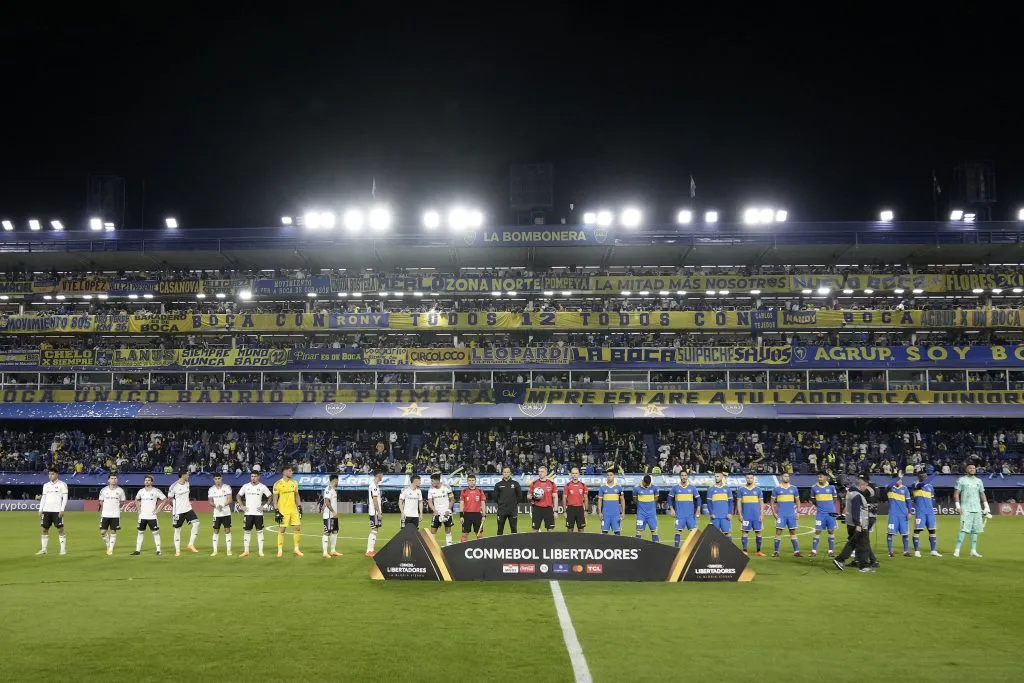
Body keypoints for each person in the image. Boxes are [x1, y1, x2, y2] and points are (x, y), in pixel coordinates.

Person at [833, 475, 875, 573]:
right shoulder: (857, 495)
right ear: (862, 485)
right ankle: (863, 566)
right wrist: (858, 524)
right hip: (858, 524)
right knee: (863, 545)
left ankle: (840, 559)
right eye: (865, 486)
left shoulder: (850, 493)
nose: (866, 488)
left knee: (852, 543)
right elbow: (856, 510)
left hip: (851, 523)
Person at [953, 463, 991, 558]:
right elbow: (956, 493)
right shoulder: (961, 480)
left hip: (977, 509)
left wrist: (986, 506)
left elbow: (982, 494)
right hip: (966, 508)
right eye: (970, 468)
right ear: (966, 469)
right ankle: (957, 550)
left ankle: (973, 550)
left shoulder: (979, 481)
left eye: (974, 468)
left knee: (975, 531)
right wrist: (958, 506)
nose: (972, 469)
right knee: (963, 529)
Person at [237, 471, 272, 557]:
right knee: (247, 532)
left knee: (260, 532)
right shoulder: (246, 486)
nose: (253, 478)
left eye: (255, 476)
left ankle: (260, 551)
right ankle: (246, 551)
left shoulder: (262, 487)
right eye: (252, 476)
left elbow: (270, 496)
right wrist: (242, 506)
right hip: (248, 513)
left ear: (258, 477)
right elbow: (238, 496)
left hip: (258, 514)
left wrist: (265, 506)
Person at [272, 465, 303, 558]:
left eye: (292, 471)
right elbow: (275, 498)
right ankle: (280, 550)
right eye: (290, 471)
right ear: (284, 472)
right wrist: (276, 510)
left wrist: (299, 506)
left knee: (297, 527)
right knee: (282, 529)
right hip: (283, 510)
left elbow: (297, 495)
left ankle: (296, 549)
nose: (291, 472)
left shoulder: (294, 483)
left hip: (293, 509)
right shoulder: (277, 484)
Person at [167, 470, 200, 556]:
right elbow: (169, 499)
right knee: (177, 530)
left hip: (188, 509)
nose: (188, 476)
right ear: (183, 475)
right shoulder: (173, 486)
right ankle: (177, 551)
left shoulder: (187, 483)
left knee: (196, 523)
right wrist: (175, 507)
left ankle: (190, 544)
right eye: (187, 474)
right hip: (178, 511)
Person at [910, 469, 941, 557]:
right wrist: (934, 475)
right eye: (922, 476)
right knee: (917, 530)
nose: (924, 477)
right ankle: (917, 551)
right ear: (918, 476)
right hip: (921, 511)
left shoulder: (930, 487)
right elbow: (922, 484)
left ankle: (933, 551)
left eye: (925, 475)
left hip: (930, 512)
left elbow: (932, 499)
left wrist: (932, 508)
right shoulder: (915, 484)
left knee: (932, 530)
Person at [38, 468, 68, 556]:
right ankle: (44, 549)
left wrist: (62, 509)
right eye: (49, 474)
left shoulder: (62, 485)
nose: (50, 476)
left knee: (60, 529)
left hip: (57, 510)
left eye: (52, 474)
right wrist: (40, 510)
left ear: (56, 475)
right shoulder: (46, 485)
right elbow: (43, 498)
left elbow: (65, 498)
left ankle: (62, 550)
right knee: (44, 529)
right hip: (46, 510)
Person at [132, 475, 165, 556]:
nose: (147, 481)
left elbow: (164, 499)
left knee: (155, 532)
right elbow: (136, 500)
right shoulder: (141, 491)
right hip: (142, 516)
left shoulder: (156, 491)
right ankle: (137, 550)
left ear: (152, 482)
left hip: (152, 516)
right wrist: (138, 509)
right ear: (144, 481)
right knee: (140, 532)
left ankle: (158, 550)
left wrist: (158, 510)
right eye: (146, 480)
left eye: (149, 480)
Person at [771, 472, 801, 557]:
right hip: (781, 515)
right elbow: (772, 502)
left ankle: (796, 551)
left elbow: (798, 501)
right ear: (781, 478)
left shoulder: (794, 488)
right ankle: (776, 551)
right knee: (778, 532)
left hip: (791, 514)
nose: (787, 478)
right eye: (785, 476)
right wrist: (774, 513)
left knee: (793, 532)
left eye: (788, 476)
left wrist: (798, 512)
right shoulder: (776, 489)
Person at [667, 471, 700, 548]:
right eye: (682, 475)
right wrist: (671, 509)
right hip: (680, 515)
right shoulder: (675, 487)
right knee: (678, 531)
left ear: (687, 476)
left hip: (690, 515)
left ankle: (694, 550)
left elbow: (698, 499)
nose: (684, 477)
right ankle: (676, 549)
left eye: (685, 475)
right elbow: (669, 498)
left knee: (694, 533)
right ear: (680, 477)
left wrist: (698, 509)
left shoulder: (692, 487)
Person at [810, 473, 840, 557]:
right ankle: (814, 551)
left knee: (831, 531)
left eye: (821, 476)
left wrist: (829, 507)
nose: (819, 478)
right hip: (820, 513)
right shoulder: (814, 488)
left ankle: (831, 551)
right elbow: (813, 500)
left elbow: (834, 499)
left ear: (826, 477)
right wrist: (820, 506)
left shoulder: (831, 487)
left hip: (831, 513)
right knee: (818, 531)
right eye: (818, 476)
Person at [97, 474, 126, 556]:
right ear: (108, 480)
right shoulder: (103, 490)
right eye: (112, 478)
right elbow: (101, 501)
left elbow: (123, 501)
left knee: (113, 531)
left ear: (117, 480)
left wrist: (117, 508)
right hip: (105, 514)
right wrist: (106, 507)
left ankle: (110, 549)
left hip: (115, 514)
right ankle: (108, 545)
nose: (113, 480)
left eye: (115, 478)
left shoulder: (120, 490)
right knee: (103, 532)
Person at [737, 472, 765, 556]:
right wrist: (740, 514)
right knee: (745, 532)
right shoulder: (741, 490)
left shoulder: (758, 490)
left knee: (758, 532)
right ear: (746, 479)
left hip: (756, 516)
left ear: (753, 479)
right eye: (748, 478)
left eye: (751, 478)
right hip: (746, 516)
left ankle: (759, 551)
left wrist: (762, 514)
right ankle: (744, 550)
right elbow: (738, 502)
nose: (749, 479)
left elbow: (761, 503)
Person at [885, 474, 913, 558]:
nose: (900, 481)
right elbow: (889, 485)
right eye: (899, 479)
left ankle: (906, 551)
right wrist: (897, 477)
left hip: (903, 515)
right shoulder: (890, 488)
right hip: (893, 515)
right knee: (890, 533)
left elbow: (908, 502)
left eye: (901, 479)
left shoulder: (905, 488)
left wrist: (910, 512)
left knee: (905, 533)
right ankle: (890, 551)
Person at [208, 472, 234, 557]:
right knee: (216, 531)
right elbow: (210, 501)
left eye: (219, 478)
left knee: (227, 530)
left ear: (221, 478)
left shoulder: (227, 487)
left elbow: (230, 499)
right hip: (216, 513)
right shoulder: (211, 489)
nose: (217, 480)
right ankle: (215, 551)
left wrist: (222, 505)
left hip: (226, 512)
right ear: (213, 480)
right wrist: (216, 506)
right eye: (215, 479)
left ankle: (229, 550)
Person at [427, 473, 455, 546]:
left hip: (446, 512)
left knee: (448, 530)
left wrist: (448, 510)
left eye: (432, 481)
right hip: (437, 513)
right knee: (433, 530)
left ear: (437, 481)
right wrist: (434, 510)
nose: (431, 483)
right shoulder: (430, 490)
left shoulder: (447, 487)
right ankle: (432, 547)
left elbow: (452, 500)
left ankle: (449, 546)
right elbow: (430, 502)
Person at [527, 465, 557, 532]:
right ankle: (535, 543)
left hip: (548, 509)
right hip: (537, 509)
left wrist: (555, 511)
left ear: (546, 473)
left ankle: (550, 543)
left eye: (542, 472)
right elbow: (528, 496)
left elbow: (555, 497)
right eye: (539, 471)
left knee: (550, 530)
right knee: (535, 530)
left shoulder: (552, 484)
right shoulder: (534, 483)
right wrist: (534, 497)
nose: (540, 473)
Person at [493, 466, 521, 535]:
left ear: (510, 473)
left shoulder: (516, 484)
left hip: (512, 510)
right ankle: (499, 545)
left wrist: (513, 503)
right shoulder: (498, 485)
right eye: (504, 472)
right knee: (500, 529)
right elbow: (495, 498)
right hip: (502, 510)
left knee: (514, 529)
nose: (506, 473)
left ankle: (513, 545)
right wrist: (501, 503)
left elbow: (519, 496)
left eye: (507, 472)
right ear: (502, 473)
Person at [459, 474, 486, 542]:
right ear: (467, 482)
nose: (471, 482)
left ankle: (480, 549)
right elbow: (461, 504)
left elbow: (483, 503)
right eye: (470, 480)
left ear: (475, 481)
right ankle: (463, 549)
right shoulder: (464, 491)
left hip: (477, 515)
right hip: (467, 515)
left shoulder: (480, 491)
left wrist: (484, 515)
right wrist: (461, 515)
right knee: (465, 535)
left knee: (479, 534)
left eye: (473, 480)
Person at [633, 474, 660, 542]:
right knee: (639, 532)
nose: (647, 485)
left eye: (648, 484)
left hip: (652, 514)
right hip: (641, 514)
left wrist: (650, 506)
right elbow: (635, 500)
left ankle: (657, 549)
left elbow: (656, 498)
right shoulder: (636, 488)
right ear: (643, 481)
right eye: (646, 484)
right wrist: (642, 506)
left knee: (654, 531)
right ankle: (637, 549)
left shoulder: (654, 487)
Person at [706, 471, 734, 536]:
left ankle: (728, 546)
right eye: (715, 476)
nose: (716, 478)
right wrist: (711, 513)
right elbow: (709, 502)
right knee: (714, 535)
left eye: (717, 476)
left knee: (727, 533)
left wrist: (730, 513)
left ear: (722, 477)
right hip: (715, 516)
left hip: (725, 516)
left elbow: (730, 502)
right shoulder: (711, 489)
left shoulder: (727, 488)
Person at [597, 468, 624, 535]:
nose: (609, 477)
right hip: (605, 515)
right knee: (604, 533)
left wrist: (623, 512)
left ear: (614, 476)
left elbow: (622, 500)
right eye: (608, 475)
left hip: (616, 515)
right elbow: (599, 501)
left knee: (617, 533)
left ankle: (618, 545)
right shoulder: (602, 488)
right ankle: (604, 546)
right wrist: (600, 512)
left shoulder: (619, 487)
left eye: (611, 475)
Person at [562, 467, 588, 533]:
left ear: (579, 474)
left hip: (580, 509)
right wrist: (564, 511)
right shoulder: (567, 485)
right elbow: (564, 498)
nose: (574, 475)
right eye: (573, 473)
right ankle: (569, 543)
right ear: (571, 474)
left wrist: (586, 510)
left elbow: (586, 498)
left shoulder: (583, 485)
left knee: (581, 529)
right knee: (570, 529)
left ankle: (581, 543)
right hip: (570, 509)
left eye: (576, 473)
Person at [322, 474, 342, 558]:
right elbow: (327, 501)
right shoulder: (329, 489)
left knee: (335, 532)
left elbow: (326, 502)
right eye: (337, 480)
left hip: (333, 515)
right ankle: (325, 552)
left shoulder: (333, 490)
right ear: (334, 480)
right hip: (329, 515)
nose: (338, 482)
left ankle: (333, 551)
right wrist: (333, 511)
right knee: (327, 532)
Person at [366, 470, 384, 556]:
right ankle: (369, 550)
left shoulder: (375, 485)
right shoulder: (373, 486)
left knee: (375, 530)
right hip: (374, 512)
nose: (382, 476)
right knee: (374, 530)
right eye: (382, 474)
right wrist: (379, 512)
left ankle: (371, 550)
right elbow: (375, 500)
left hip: (375, 511)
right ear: (378, 475)